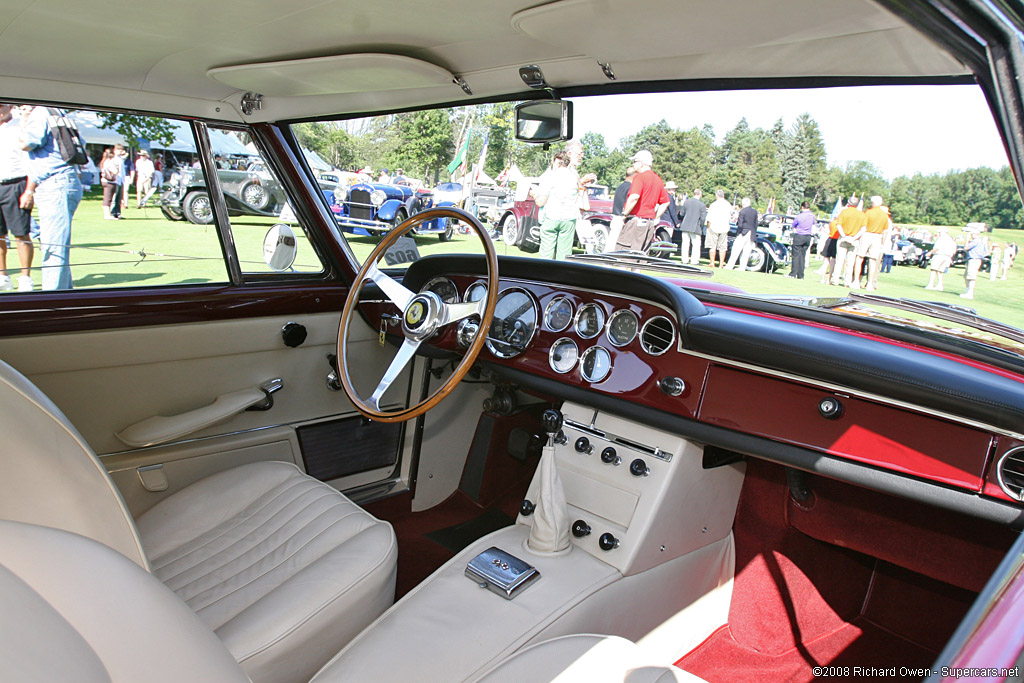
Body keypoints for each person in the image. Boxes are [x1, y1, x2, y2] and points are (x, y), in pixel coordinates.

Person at [17, 104, 83, 291]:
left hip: (54, 183)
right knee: (57, 246)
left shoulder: (39, 113)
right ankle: (64, 298)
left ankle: (53, 302)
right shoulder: (58, 113)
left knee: (53, 249)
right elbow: (81, 144)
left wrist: (24, 124)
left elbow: (26, 143)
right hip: (64, 182)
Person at [0, 103, 34, 292]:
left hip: (16, 184)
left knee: (21, 234)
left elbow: (30, 162)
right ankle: (2, 275)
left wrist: (29, 190)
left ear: (10, 107)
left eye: (1, 105)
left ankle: (25, 277)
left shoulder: (18, 128)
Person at [533, 150, 585, 260]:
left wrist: (534, 195)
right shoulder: (574, 177)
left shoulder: (550, 176)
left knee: (546, 253)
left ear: (555, 162)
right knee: (564, 253)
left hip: (552, 216)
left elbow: (541, 201)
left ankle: (544, 274)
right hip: (569, 218)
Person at [616, 150, 669, 252]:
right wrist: (656, 216)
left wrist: (624, 215)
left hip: (635, 222)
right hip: (649, 223)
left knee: (623, 254)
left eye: (635, 161)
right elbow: (665, 202)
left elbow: (634, 197)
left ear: (641, 163)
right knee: (640, 257)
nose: (633, 164)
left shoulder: (640, 177)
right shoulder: (657, 179)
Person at [852, 195, 889, 290]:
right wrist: (882, 243)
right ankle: (869, 283)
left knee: (859, 257)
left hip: (867, 234)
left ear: (873, 203)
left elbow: (863, 226)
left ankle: (856, 281)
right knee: (873, 260)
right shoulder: (884, 215)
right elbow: (885, 231)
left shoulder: (868, 213)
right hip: (878, 236)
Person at [832, 196, 866, 287]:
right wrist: (854, 238)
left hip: (843, 238)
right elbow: (863, 229)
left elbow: (839, 225)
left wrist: (844, 236)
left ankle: (835, 280)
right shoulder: (861, 214)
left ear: (849, 203)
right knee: (850, 262)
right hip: (854, 239)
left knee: (839, 260)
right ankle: (847, 281)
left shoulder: (844, 212)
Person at [726, 197, 758, 271]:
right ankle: (742, 267)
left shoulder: (742, 211)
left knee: (736, 250)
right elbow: (756, 224)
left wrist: (738, 233)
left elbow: (740, 224)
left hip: (743, 232)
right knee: (746, 251)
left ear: (743, 204)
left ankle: (730, 265)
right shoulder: (755, 211)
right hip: (751, 232)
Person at [608, 167, 635, 251]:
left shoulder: (620, 186)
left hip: (616, 216)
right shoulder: (631, 188)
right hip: (623, 217)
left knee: (612, 240)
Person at [786, 201, 815, 278]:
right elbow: (813, 224)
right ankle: (801, 274)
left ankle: (793, 273)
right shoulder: (812, 216)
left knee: (796, 255)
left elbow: (794, 225)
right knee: (803, 256)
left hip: (799, 235)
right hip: (807, 236)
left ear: (802, 207)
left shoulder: (800, 216)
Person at [677, 188, 706, 265]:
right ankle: (694, 261)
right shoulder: (702, 205)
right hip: (695, 227)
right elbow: (702, 218)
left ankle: (684, 260)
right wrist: (701, 226)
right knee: (696, 245)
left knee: (685, 244)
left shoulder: (687, 202)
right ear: (700, 194)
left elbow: (681, 214)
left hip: (685, 225)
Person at [704, 189, 732, 268]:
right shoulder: (728, 205)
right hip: (724, 227)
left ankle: (712, 263)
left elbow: (709, 218)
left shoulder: (713, 205)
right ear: (723, 196)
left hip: (714, 227)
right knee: (722, 247)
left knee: (712, 246)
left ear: (716, 196)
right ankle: (721, 264)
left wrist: (708, 227)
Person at [961, 229, 988, 299]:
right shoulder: (980, 241)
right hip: (974, 259)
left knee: (971, 276)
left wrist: (967, 239)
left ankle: (970, 292)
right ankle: (967, 291)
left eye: (971, 234)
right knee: (966, 275)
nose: (971, 236)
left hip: (974, 259)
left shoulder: (976, 241)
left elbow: (966, 247)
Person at [99, 148, 120, 220]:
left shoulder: (103, 161)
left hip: (105, 180)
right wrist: (117, 168)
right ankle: (107, 214)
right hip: (110, 182)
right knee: (108, 198)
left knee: (107, 198)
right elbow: (115, 171)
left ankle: (107, 214)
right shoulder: (110, 162)